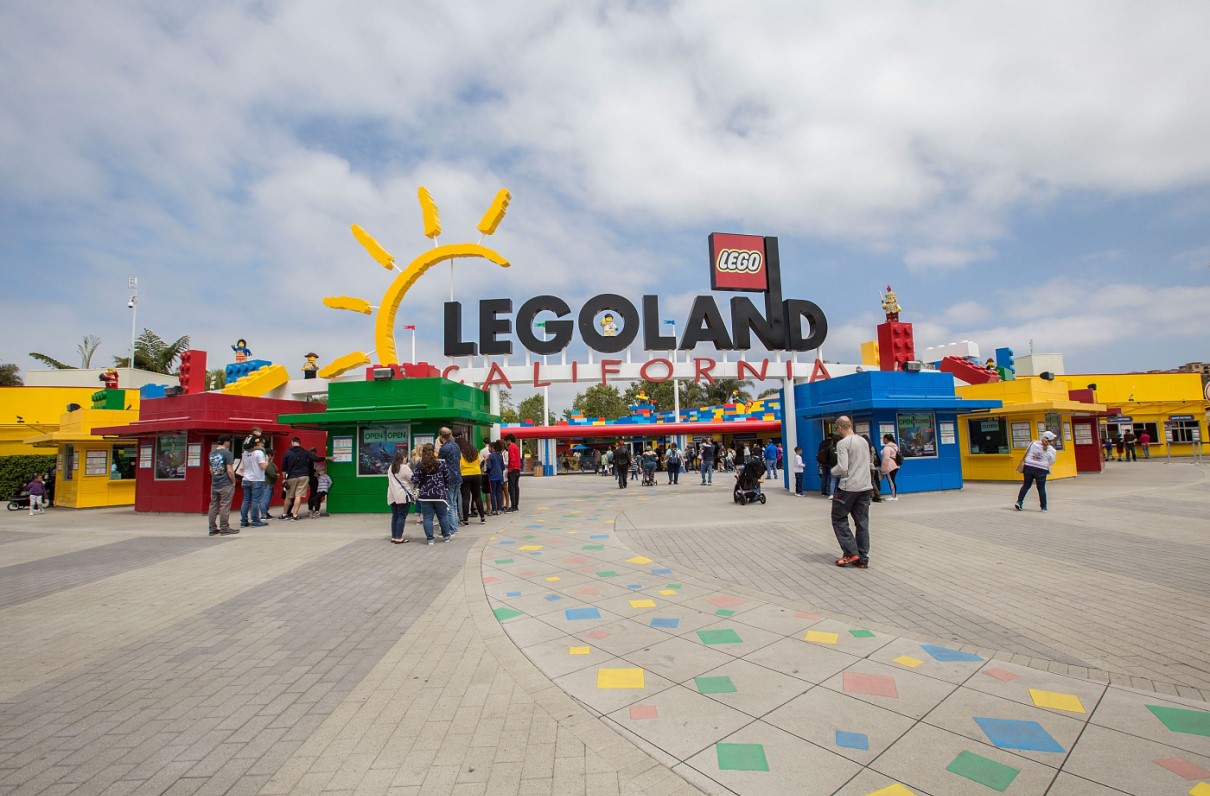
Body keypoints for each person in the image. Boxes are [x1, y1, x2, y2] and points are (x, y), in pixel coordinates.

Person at [831, 417, 872, 568]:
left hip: (848, 487)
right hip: (865, 486)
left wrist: (832, 471)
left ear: (840, 428)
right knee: (862, 523)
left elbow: (842, 467)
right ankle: (862, 558)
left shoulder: (843, 443)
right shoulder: (863, 441)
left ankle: (850, 552)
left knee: (838, 518)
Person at [411, 442, 457, 544]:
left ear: (423, 452)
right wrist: (444, 487)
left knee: (427, 518)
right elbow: (447, 478)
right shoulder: (441, 464)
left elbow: (415, 479)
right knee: (443, 516)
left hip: (425, 495)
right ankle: (446, 537)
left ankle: (430, 539)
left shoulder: (420, 464)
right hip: (439, 494)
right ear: (434, 451)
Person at [281, 437, 325, 520]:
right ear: (299, 442)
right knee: (298, 496)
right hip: (303, 476)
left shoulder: (287, 453)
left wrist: (284, 478)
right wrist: (326, 458)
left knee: (288, 496)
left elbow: (284, 467)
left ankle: (284, 514)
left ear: (292, 442)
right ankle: (295, 515)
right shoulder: (305, 452)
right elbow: (316, 459)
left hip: (291, 476)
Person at [1016, 430, 1057, 512]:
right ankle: (1043, 507)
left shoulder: (1033, 444)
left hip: (1028, 467)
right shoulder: (1051, 450)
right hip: (1041, 470)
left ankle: (1019, 502)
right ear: (1051, 440)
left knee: (1026, 486)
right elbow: (1051, 462)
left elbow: (1026, 452)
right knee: (1041, 488)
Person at [208, 435, 237, 536]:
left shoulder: (211, 453)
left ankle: (212, 528)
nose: (229, 443)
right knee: (225, 506)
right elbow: (229, 470)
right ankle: (224, 528)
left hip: (215, 483)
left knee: (213, 506)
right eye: (229, 441)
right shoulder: (227, 453)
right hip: (225, 483)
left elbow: (211, 469)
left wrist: (216, 477)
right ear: (226, 442)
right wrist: (233, 481)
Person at [239, 439, 268, 527]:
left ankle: (243, 521)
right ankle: (255, 521)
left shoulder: (244, 453)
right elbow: (263, 467)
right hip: (257, 479)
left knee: (246, 500)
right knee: (255, 501)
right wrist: (266, 460)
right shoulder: (259, 453)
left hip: (246, 479)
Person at [437, 428, 464, 524]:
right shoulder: (456, 445)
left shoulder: (444, 448)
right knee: (454, 503)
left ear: (441, 436)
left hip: (449, 478)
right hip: (458, 477)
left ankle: (452, 528)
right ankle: (455, 526)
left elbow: (439, 463)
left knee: (449, 504)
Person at [386, 449, 413, 544]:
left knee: (395, 516)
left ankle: (394, 536)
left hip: (392, 495)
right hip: (402, 495)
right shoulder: (405, 468)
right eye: (405, 457)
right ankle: (399, 537)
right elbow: (412, 479)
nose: (406, 459)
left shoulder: (391, 467)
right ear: (403, 458)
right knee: (402, 516)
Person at [459, 436, 487, 524]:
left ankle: (466, 520)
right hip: (476, 474)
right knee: (477, 496)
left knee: (465, 498)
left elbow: (459, 465)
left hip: (465, 474)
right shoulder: (475, 452)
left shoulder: (461, 453)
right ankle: (482, 518)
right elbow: (479, 462)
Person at [485, 441, 506, 513]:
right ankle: (499, 509)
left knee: (492, 492)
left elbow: (489, 467)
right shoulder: (500, 455)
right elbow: (503, 467)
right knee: (498, 492)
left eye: (489, 447)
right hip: (499, 476)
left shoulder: (490, 456)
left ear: (492, 448)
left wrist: (487, 472)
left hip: (492, 476)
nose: (488, 449)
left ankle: (494, 509)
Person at [880, 434, 901, 501]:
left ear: (886, 439)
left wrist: (883, 469)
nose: (882, 440)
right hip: (895, 465)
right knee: (892, 480)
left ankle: (894, 496)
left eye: (883, 439)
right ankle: (894, 495)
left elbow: (886, 459)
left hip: (889, 467)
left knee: (891, 481)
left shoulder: (887, 448)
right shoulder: (895, 446)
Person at [505, 433, 522, 512]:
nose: (506, 443)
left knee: (511, 488)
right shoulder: (516, 447)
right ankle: (516, 505)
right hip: (517, 469)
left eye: (506, 441)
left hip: (513, 470)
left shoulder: (511, 447)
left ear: (509, 440)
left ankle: (513, 506)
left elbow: (512, 459)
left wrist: (510, 469)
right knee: (516, 487)